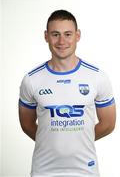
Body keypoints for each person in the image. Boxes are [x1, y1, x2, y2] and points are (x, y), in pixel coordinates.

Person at [19, 9, 116, 177]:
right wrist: (51, 142)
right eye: (55, 34)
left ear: (77, 36)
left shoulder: (97, 77)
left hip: (86, 170)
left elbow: (108, 124)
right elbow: (26, 124)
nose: (61, 41)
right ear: (46, 36)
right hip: (44, 171)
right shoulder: (31, 79)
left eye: (68, 34)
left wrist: (77, 141)